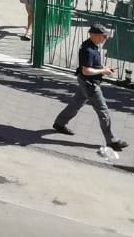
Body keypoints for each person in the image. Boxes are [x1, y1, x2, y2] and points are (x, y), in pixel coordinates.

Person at [52, 23, 128, 155]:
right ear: (94, 35)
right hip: (89, 84)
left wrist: (104, 68)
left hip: (85, 82)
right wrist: (103, 71)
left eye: (106, 36)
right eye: (103, 36)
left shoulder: (92, 46)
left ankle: (59, 123)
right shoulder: (87, 50)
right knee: (103, 111)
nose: (106, 39)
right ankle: (111, 140)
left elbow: (93, 65)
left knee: (76, 103)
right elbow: (86, 71)